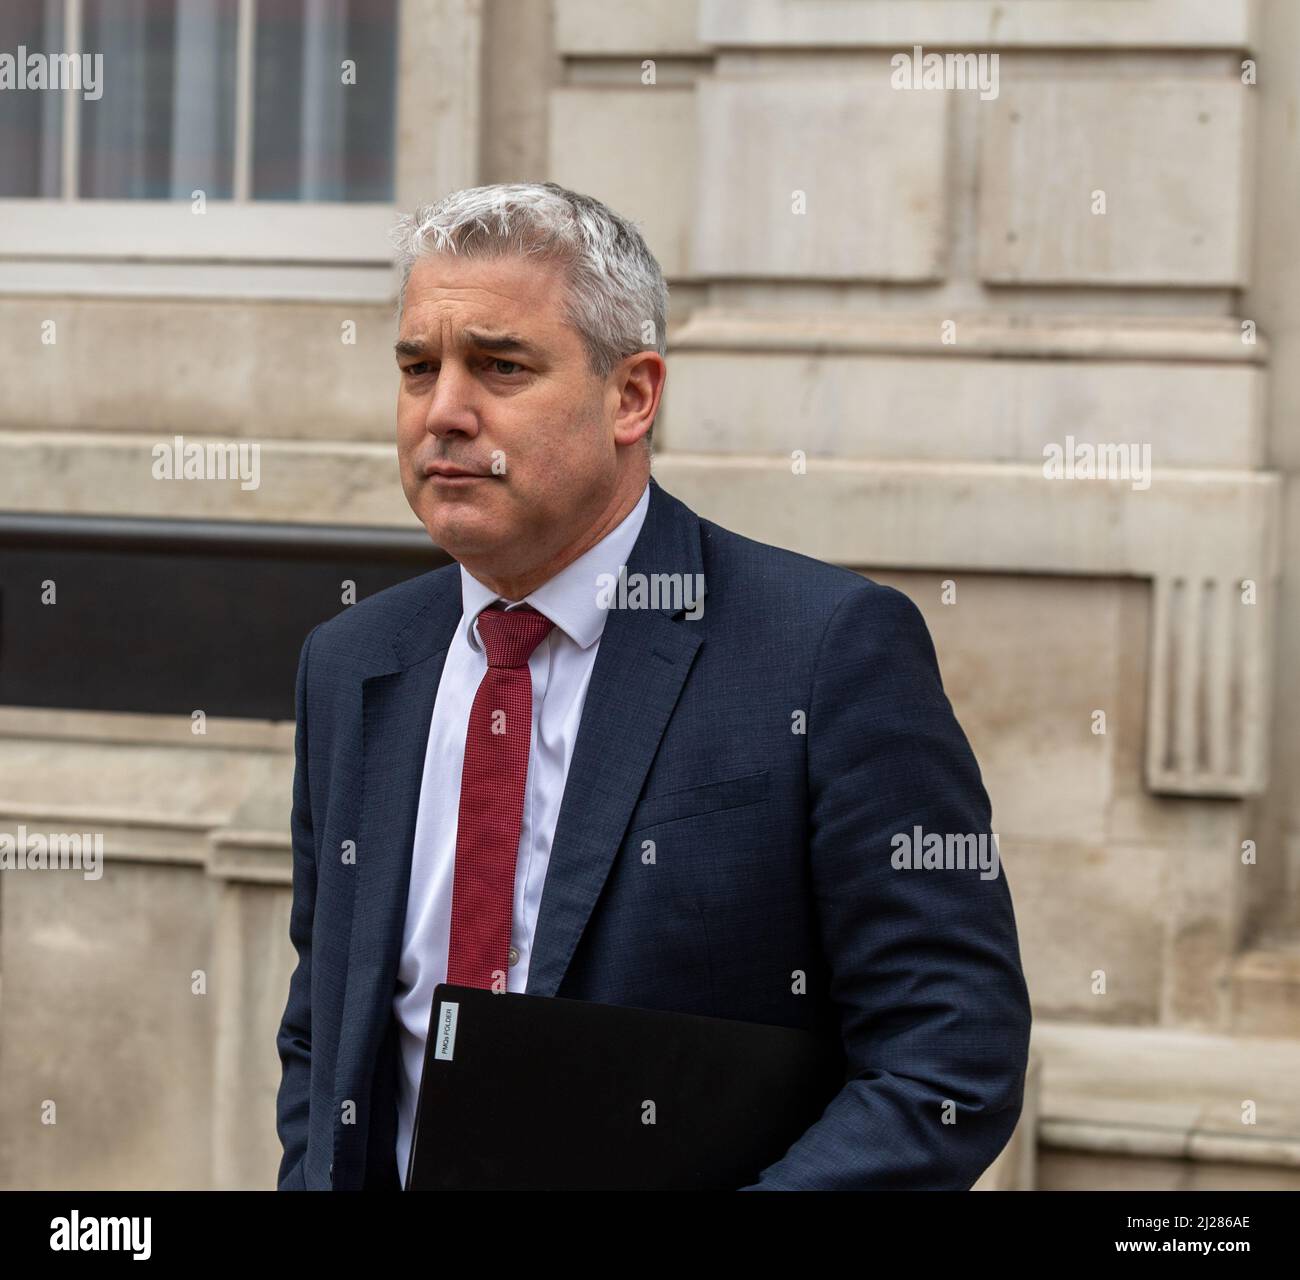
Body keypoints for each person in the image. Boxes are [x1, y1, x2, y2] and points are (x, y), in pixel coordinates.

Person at [274, 181, 1031, 1191]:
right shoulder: (350, 662)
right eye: (418, 368)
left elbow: (947, 1056)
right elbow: (324, 1033)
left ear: (630, 396)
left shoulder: (824, 649)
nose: (444, 411)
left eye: (499, 366)